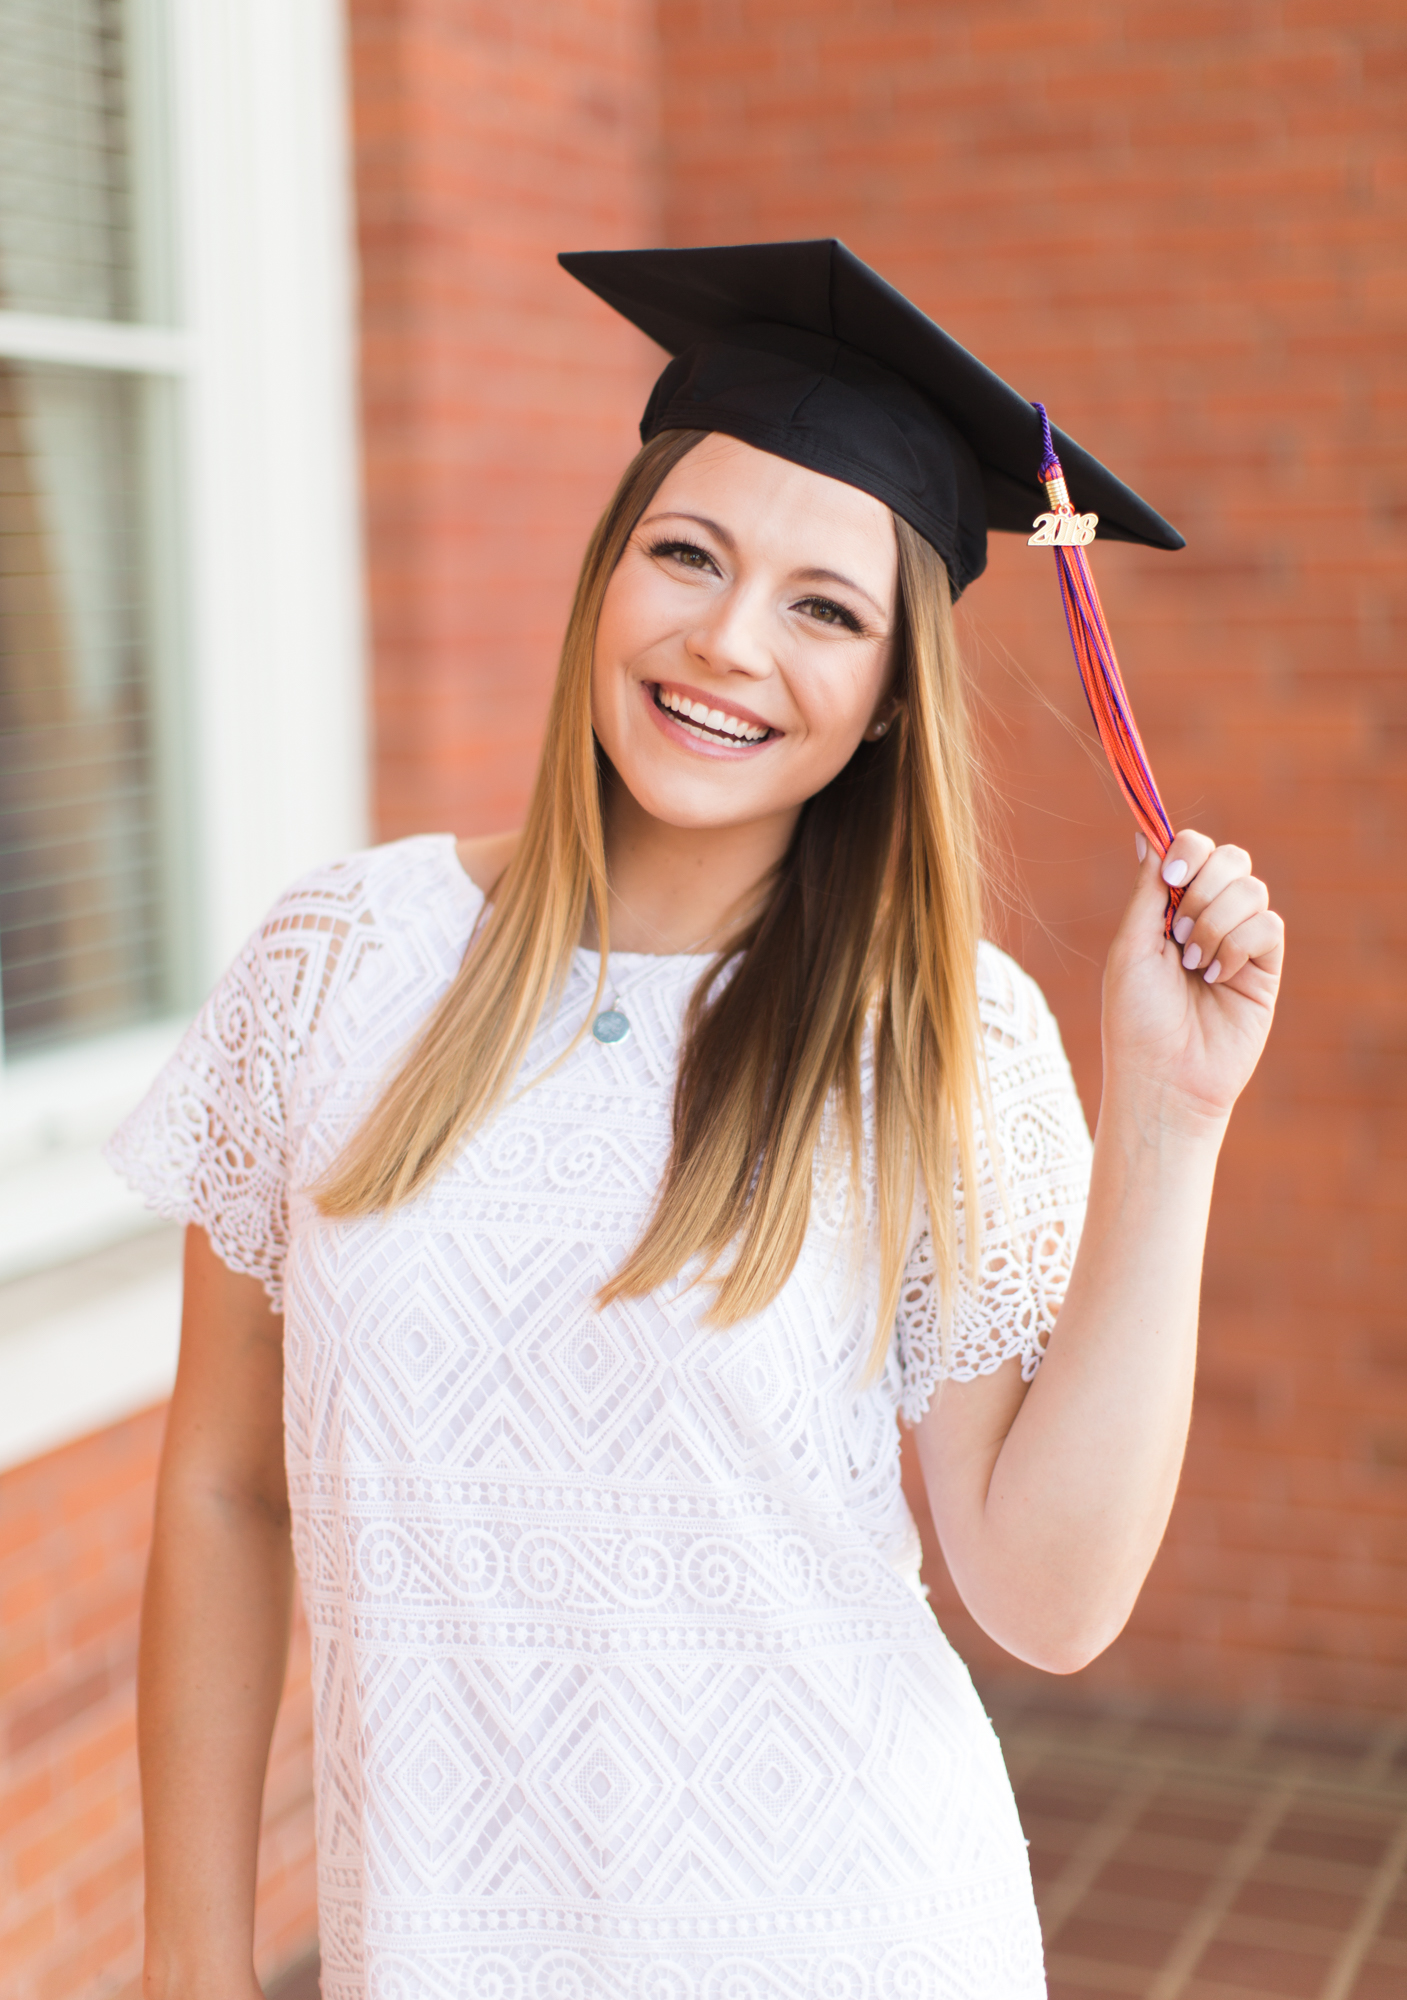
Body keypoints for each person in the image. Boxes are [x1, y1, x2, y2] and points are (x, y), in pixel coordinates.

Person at [112, 242, 1284, 2000]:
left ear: (890, 695)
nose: (730, 641)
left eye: (827, 607)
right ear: (606, 576)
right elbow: (220, 1489)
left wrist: (1176, 1122)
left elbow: (1047, 1600)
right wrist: (186, 1959)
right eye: (690, 553)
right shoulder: (340, 968)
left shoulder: (939, 1040)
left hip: (853, 1937)